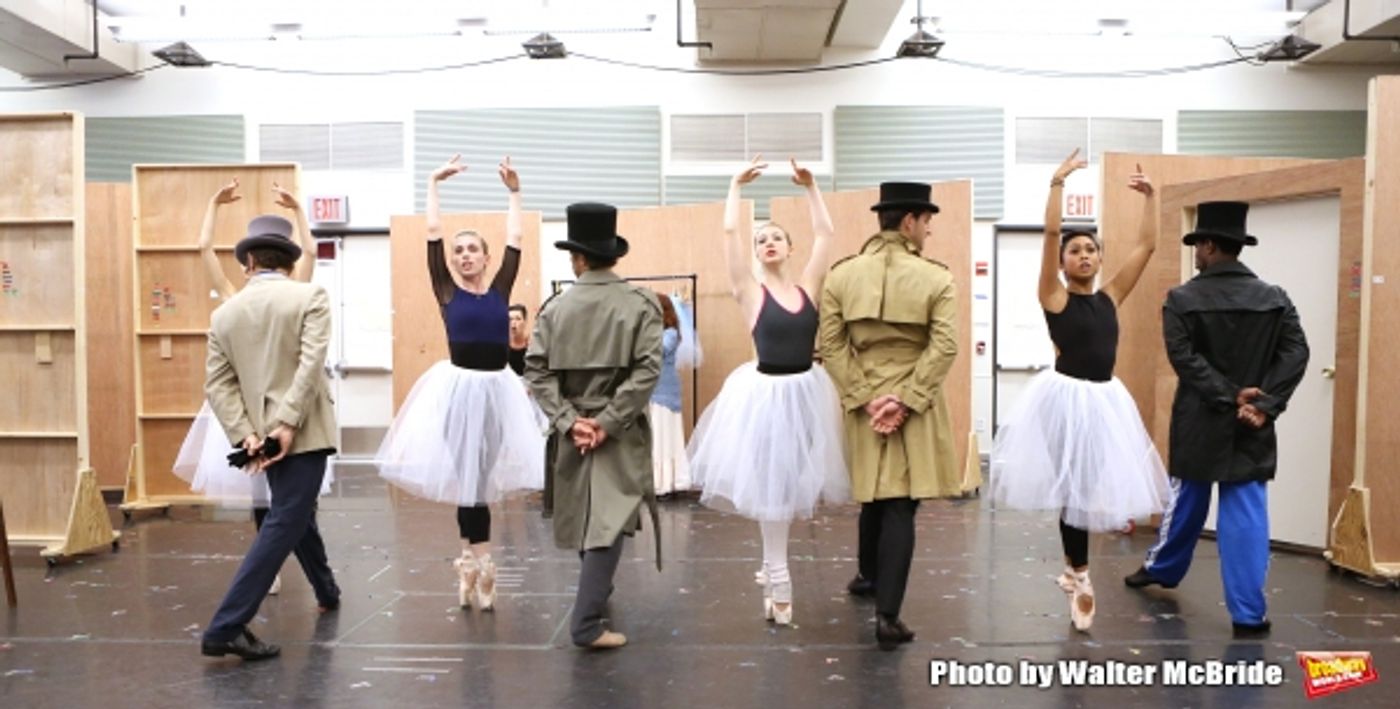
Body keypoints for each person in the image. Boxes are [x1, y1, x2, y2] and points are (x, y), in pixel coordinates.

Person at [989, 150, 1170, 632]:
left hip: (1105, 399)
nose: (1084, 255)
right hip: (1063, 399)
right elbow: (1051, 235)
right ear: (1065, 262)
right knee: (1074, 488)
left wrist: (1152, 198)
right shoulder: (1054, 296)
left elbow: (1147, 246)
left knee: (1088, 486)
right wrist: (1056, 185)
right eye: (1076, 251)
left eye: (1091, 249)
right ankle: (1083, 576)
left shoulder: (1111, 296)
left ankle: (1072, 567)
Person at [1124, 201, 1309, 639]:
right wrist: (1263, 403)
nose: (1196, 254)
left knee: (1187, 502)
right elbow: (1296, 353)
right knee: (1245, 512)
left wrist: (1228, 395)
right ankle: (1248, 615)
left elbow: (1184, 361)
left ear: (1208, 245)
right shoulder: (1275, 298)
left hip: (1199, 419)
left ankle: (1163, 569)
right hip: (1253, 425)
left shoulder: (1182, 299)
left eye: (1197, 245)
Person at [375, 155, 543, 611]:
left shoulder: (501, 291)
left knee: (481, 477)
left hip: (496, 391)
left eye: (472, 250)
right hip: (456, 393)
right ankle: (483, 564)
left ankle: (469, 560)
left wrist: (514, 193)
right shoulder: (446, 292)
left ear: (486, 259)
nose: (464, 255)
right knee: (470, 480)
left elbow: (516, 239)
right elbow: (432, 235)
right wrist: (432, 183)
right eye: (458, 251)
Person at [688, 156, 849, 627]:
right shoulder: (748, 291)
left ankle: (770, 562)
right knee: (772, 486)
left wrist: (812, 187)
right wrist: (735, 187)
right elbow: (728, 237)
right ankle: (778, 573)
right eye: (761, 239)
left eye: (775, 236)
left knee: (794, 481)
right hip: (764, 397)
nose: (767, 242)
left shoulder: (808, 288)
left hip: (805, 394)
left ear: (788, 247)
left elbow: (826, 235)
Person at [818, 180, 958, 651]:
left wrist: (866, 396)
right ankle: (889, 615)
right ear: (909, 221)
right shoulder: (937, 278)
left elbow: (831, 347)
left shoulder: (840, 276)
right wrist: (906, 398)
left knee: (874, 492)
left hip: (864, 401)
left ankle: (867, 575)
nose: (929, 232)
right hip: (915, 402)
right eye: (927, 222)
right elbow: (945, 346)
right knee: (901, 501)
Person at [173, 178, 323, 598]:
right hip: (258, 404)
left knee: (273, 490)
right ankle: (276, 565)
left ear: (249, 262)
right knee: (272, 493)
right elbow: (309, 251)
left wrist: (214, 205)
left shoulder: (256, 296)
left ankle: (279, 565)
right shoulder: (271, 294)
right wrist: (298, 210)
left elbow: (204, 250)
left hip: (258, 403)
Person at [199, 214, 339, 661]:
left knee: (293, 512)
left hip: (260, 433)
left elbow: (217, 385)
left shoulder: (225, 313)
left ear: (250, 261)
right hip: (303, 430)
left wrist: (247, 436)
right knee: (287, 520)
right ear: (288, 261)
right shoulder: (310, 295)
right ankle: (226, 626)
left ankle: (326, 587)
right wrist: (290, 422)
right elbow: (311, 364)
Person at [524, 202, 663, 650]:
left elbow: (537, 371)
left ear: (578, 258)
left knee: (592, 516)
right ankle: (585, 624)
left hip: (574, 429)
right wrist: (605, 422)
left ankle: (596, 598)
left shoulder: (554, 309)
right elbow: (646, 371)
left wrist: (570, 421)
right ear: (612, 255)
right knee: (607, 519)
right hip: (616, 430)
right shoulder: (641, 304)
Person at [650, 292, 691, 497]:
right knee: (656, 436)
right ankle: (658, 479)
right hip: (654, 390)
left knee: (663, 436)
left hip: (664, 391)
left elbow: (657, 351)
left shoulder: (671, 333)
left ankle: (665, 481)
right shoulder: (659, 332)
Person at [507, 304, 530, 376]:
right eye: (510, 319)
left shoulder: (532, 347)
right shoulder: (502, 347)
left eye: (518, 319)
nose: (513, 323)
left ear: (525, 321)